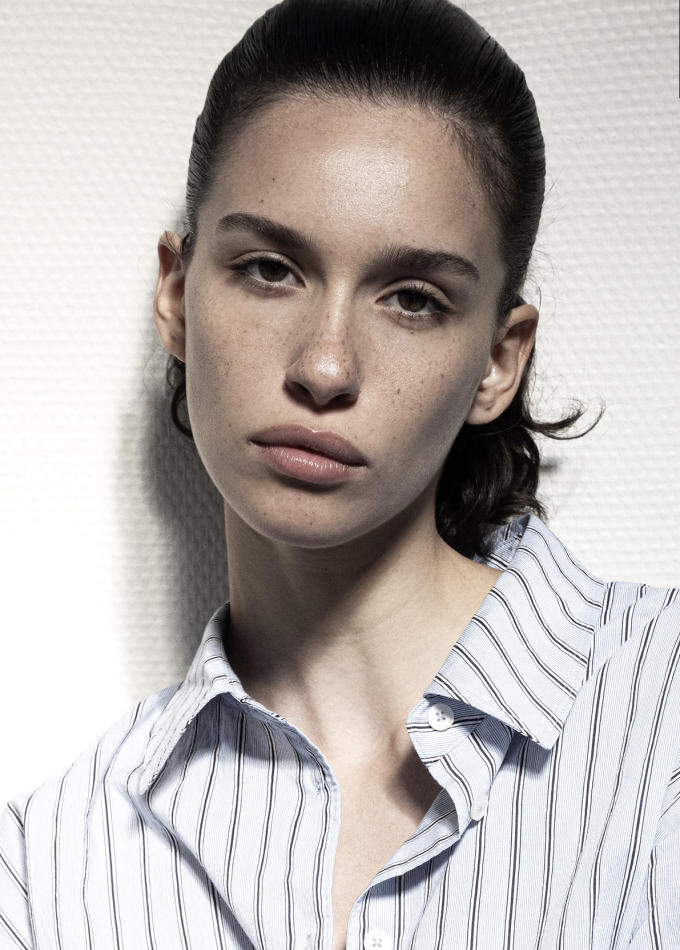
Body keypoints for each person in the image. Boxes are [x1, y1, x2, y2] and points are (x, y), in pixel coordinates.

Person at [1, 0, 678, 947]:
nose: (325, 367)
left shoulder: (663, 716)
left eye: (413, 299)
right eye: (270, 269)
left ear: (499, 360)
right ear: (177, 296)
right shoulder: (49, 874)